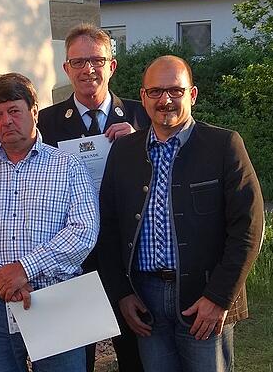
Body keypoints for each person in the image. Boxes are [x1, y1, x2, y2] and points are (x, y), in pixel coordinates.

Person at [97, 55, 264, 372]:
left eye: (175, 90)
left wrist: (219, 297)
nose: (166, 100)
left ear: (193, 94)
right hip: (145, 301)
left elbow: (249, 228)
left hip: (203, 299)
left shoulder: (224, 145)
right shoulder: (124, 151)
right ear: (143, 97)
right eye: (156, 92)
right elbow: (109, 228)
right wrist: (122, 293)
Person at [0, 73, 98, 372]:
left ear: (34, 111)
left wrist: (24, 269)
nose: (6, 121)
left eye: (14, 111)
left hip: (56, 299)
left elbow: (84, 231)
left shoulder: (68, 166)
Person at [38, 23, 148, 372]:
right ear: (66, 68)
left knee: (135, 355)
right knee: (72, 359)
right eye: (79, 61)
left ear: (112, 65)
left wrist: (140, 140)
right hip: (71, 260)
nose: (88, 69)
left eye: (96, 60)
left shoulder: (142, 117)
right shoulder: (45, 123)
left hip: (128, 256)